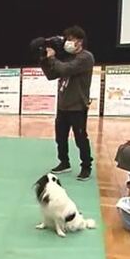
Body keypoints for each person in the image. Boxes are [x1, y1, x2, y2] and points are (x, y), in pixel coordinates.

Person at [40, 25, 95, 181]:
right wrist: (44, 59)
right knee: (60, 137)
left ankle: (86, 166)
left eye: (71, 39)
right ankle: (64, 162)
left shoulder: (85, 57)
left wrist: (53, 58)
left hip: (77, 106)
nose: (67, 42)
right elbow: (51, 75)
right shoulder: (66, 58)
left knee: (80, 138)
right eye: (66, 39)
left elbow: (65, 70)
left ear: (80, 41)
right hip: (63, 105)